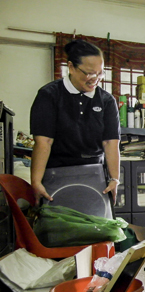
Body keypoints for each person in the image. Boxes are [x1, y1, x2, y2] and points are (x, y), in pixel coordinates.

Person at [30, 39, 120, 204]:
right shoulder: (49, 95)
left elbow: (110, 143)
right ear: (71, 67)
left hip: (94, 173)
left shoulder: (106, 101)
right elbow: (44, 142)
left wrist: (114, 178)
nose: (95, 79)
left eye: (100, 73)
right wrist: (36, 181)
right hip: (56, 171)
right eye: (89, 73)